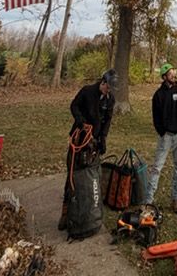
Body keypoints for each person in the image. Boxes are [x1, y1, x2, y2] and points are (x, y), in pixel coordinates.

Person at [57, 68, 117, 230]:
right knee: (73, 174)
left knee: (91, 176)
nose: (108, 91)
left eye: (111, 89)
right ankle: (65, 213)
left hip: (95, 141)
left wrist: (103, 138)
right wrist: (81, 122)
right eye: (108, 87)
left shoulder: (110, 100)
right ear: (103, 82)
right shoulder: (87, 91)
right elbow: (73, 106)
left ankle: (88, 209)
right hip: (80, 138)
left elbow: (108, 120)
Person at [145, 63, 177, 213]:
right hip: (166, 137)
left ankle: (176, 199)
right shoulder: (158, 95)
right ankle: (148, 202)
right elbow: (155, 116)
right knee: (157, 167)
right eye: (170, 73)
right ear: (164, 77)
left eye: (173, 72)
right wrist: (162, 131)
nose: (173, 75)